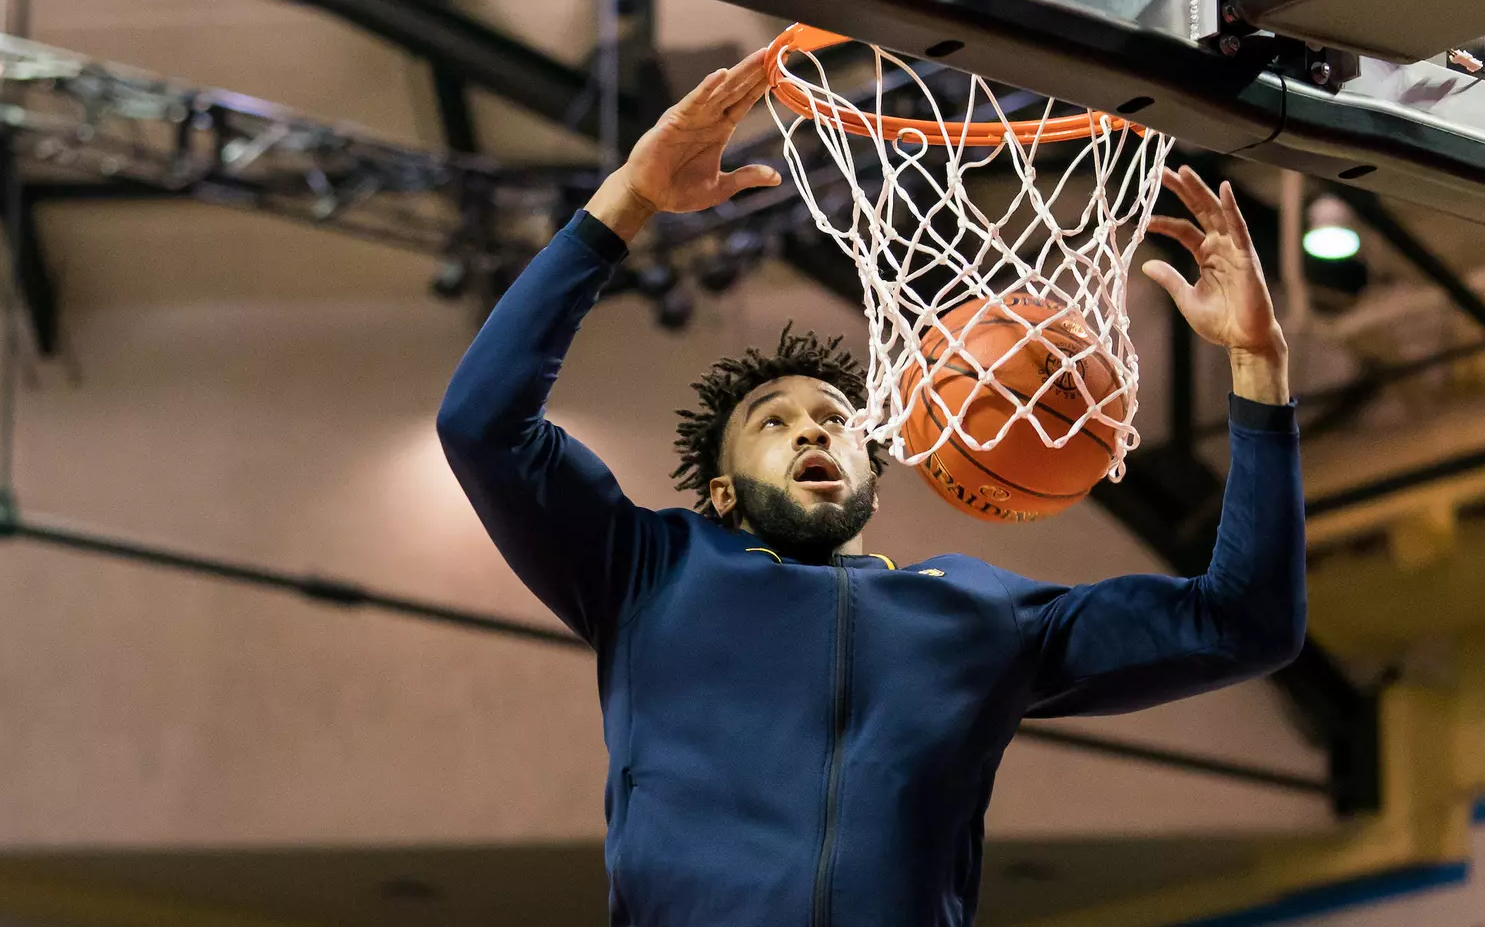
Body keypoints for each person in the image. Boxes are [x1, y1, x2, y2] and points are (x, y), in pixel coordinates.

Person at [437, 48, 1305, 927]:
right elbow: (481, 423)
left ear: (872, 476)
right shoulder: (648, 572)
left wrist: (1256, 362)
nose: (814, 429)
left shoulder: (983, 614)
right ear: (725, 493)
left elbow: (1245, 623)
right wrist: (628, 201)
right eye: (772, 423)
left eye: (835, 420)